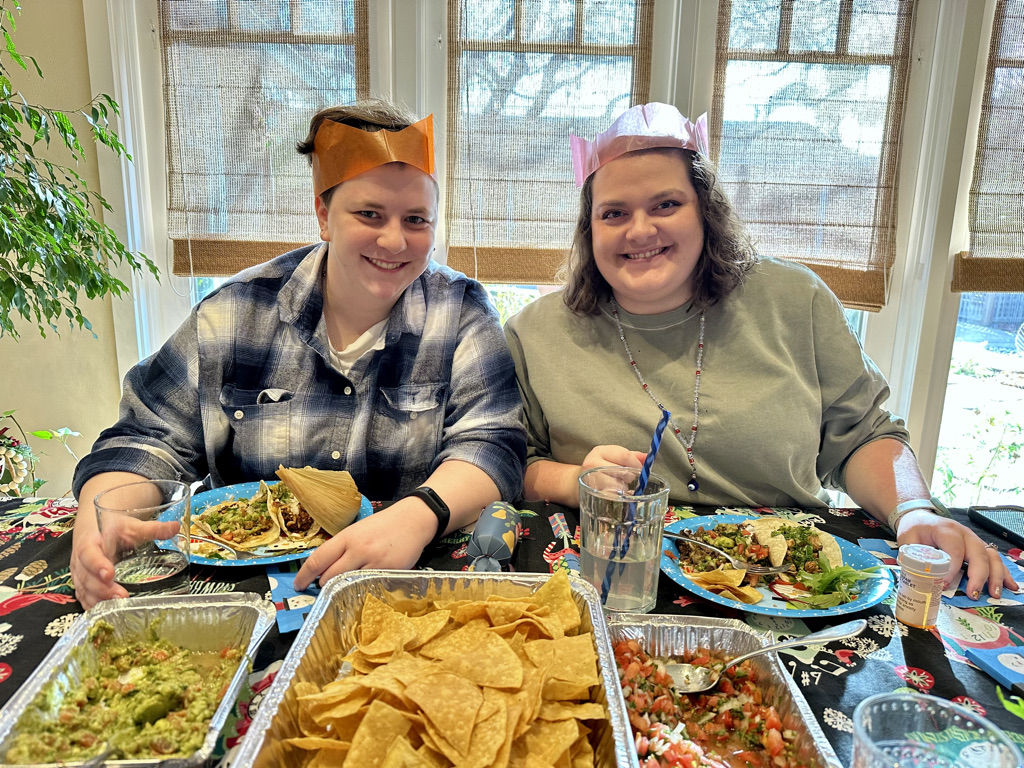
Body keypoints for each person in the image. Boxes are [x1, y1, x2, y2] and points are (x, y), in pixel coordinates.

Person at [504, 102, 1016, 600]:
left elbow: (863, 435)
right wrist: (575, 480)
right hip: (615, 583)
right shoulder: (534, 333)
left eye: (666, 205)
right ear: (589, 228)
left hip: (792, 587)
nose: (640, 230)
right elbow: (510, 464)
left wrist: (914, 511)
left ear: (706, 212)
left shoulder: (796, 300)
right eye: (613, 213)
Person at [71, 99, 526, 608]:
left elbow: (492, 444)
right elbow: (147, 436)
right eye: (369, 214)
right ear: (324, 216)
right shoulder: (234, 313)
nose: (394, 240)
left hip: (405, 586)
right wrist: (101, 521)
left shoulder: (462, 312)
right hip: (243, 599)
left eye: (417, 219)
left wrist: (419, 516)